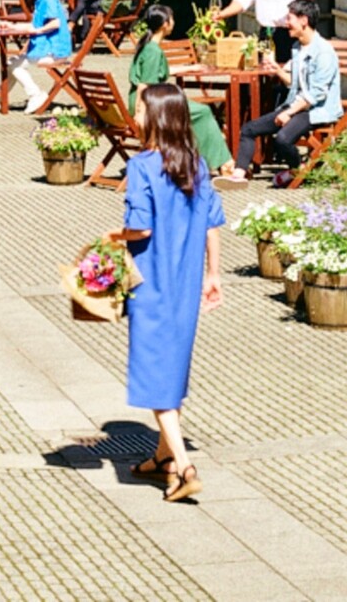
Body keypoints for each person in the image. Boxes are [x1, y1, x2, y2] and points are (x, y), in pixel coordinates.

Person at [115, 81, 225, 502]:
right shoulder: (195, 164)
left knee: (154, 373)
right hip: (186, 283)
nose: (137, 116)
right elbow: (213, 223)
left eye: (141, 110)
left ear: (157, 118)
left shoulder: (142, 166)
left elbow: (141, 227)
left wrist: (113, 235)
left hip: (152, 282)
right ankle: (160, 460)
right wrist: (214, 275)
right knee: (173, 365)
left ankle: (183, 465)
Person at [127, 3, 237, 178]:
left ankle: (206, 160)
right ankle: (223, 164)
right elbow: (144, 85)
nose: (173, 22)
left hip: (154, 100)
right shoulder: (153, 51)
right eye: (172, 19)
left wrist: (189, 68)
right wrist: (140, 112)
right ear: (165, 24)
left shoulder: (149, 46)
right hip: (152, 104)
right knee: (202, 112)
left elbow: (159, 72)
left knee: (197, 111)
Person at [238, 2, 340, 174]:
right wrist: (277, 70)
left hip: (316, 110)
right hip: (297, 106)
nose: (286, 23)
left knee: (283, 140)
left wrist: (289, 112)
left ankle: (298, 170)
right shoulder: (298, 47)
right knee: (248, 130)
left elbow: (315, 95)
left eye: (289, 18)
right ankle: (237, 176)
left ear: (304, 21)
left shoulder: (323, 52)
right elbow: (294, 83)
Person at [13, 0, 73, 114]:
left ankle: (36, 94)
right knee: (12, 63)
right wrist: (13, 25)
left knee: (13, 64)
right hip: (50, 49)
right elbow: (35, 24)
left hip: (55, 51)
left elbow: (56, 22)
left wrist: (38, 30)